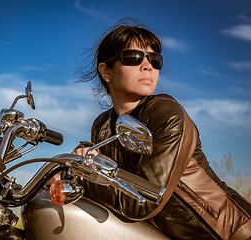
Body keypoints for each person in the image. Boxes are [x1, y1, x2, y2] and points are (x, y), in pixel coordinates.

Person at [73, 22, 251, 240]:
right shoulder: (102, 126)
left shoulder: (166, 114)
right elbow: (112, 182)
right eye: (133, 57)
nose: (148, 65)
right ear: (105, 71)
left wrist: (82, 177)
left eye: (154, 60)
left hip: (226, 234)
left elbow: (145, 199)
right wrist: (83, 155)